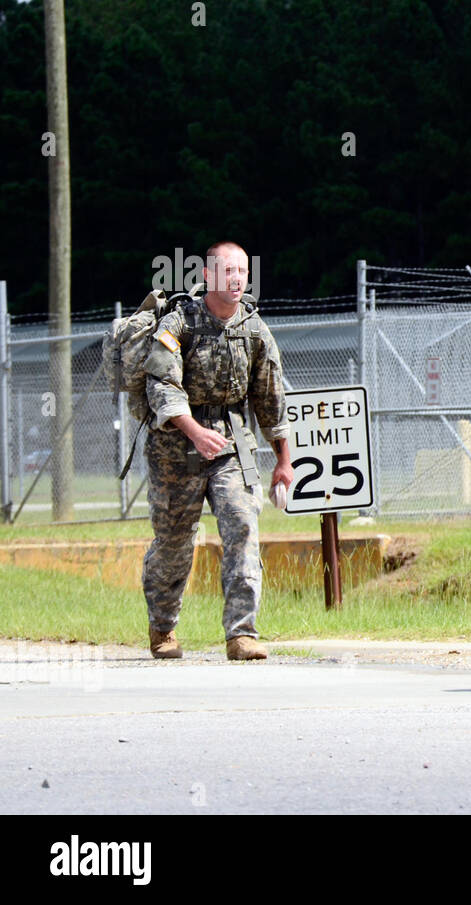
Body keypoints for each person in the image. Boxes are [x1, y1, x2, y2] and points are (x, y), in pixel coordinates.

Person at [141, 241, 292, 661]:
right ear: (207, 276)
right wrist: (192, 431)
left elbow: (270, 398)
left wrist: (284, 459)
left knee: (243, 524)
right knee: (174, 542)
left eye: (242, 271)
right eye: (228, 271)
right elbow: (161, 385)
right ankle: (163, 627)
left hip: (231, 444)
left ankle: (242, 633)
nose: (237, 279)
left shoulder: (254, 328)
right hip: (176, 448)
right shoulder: (179, 322)